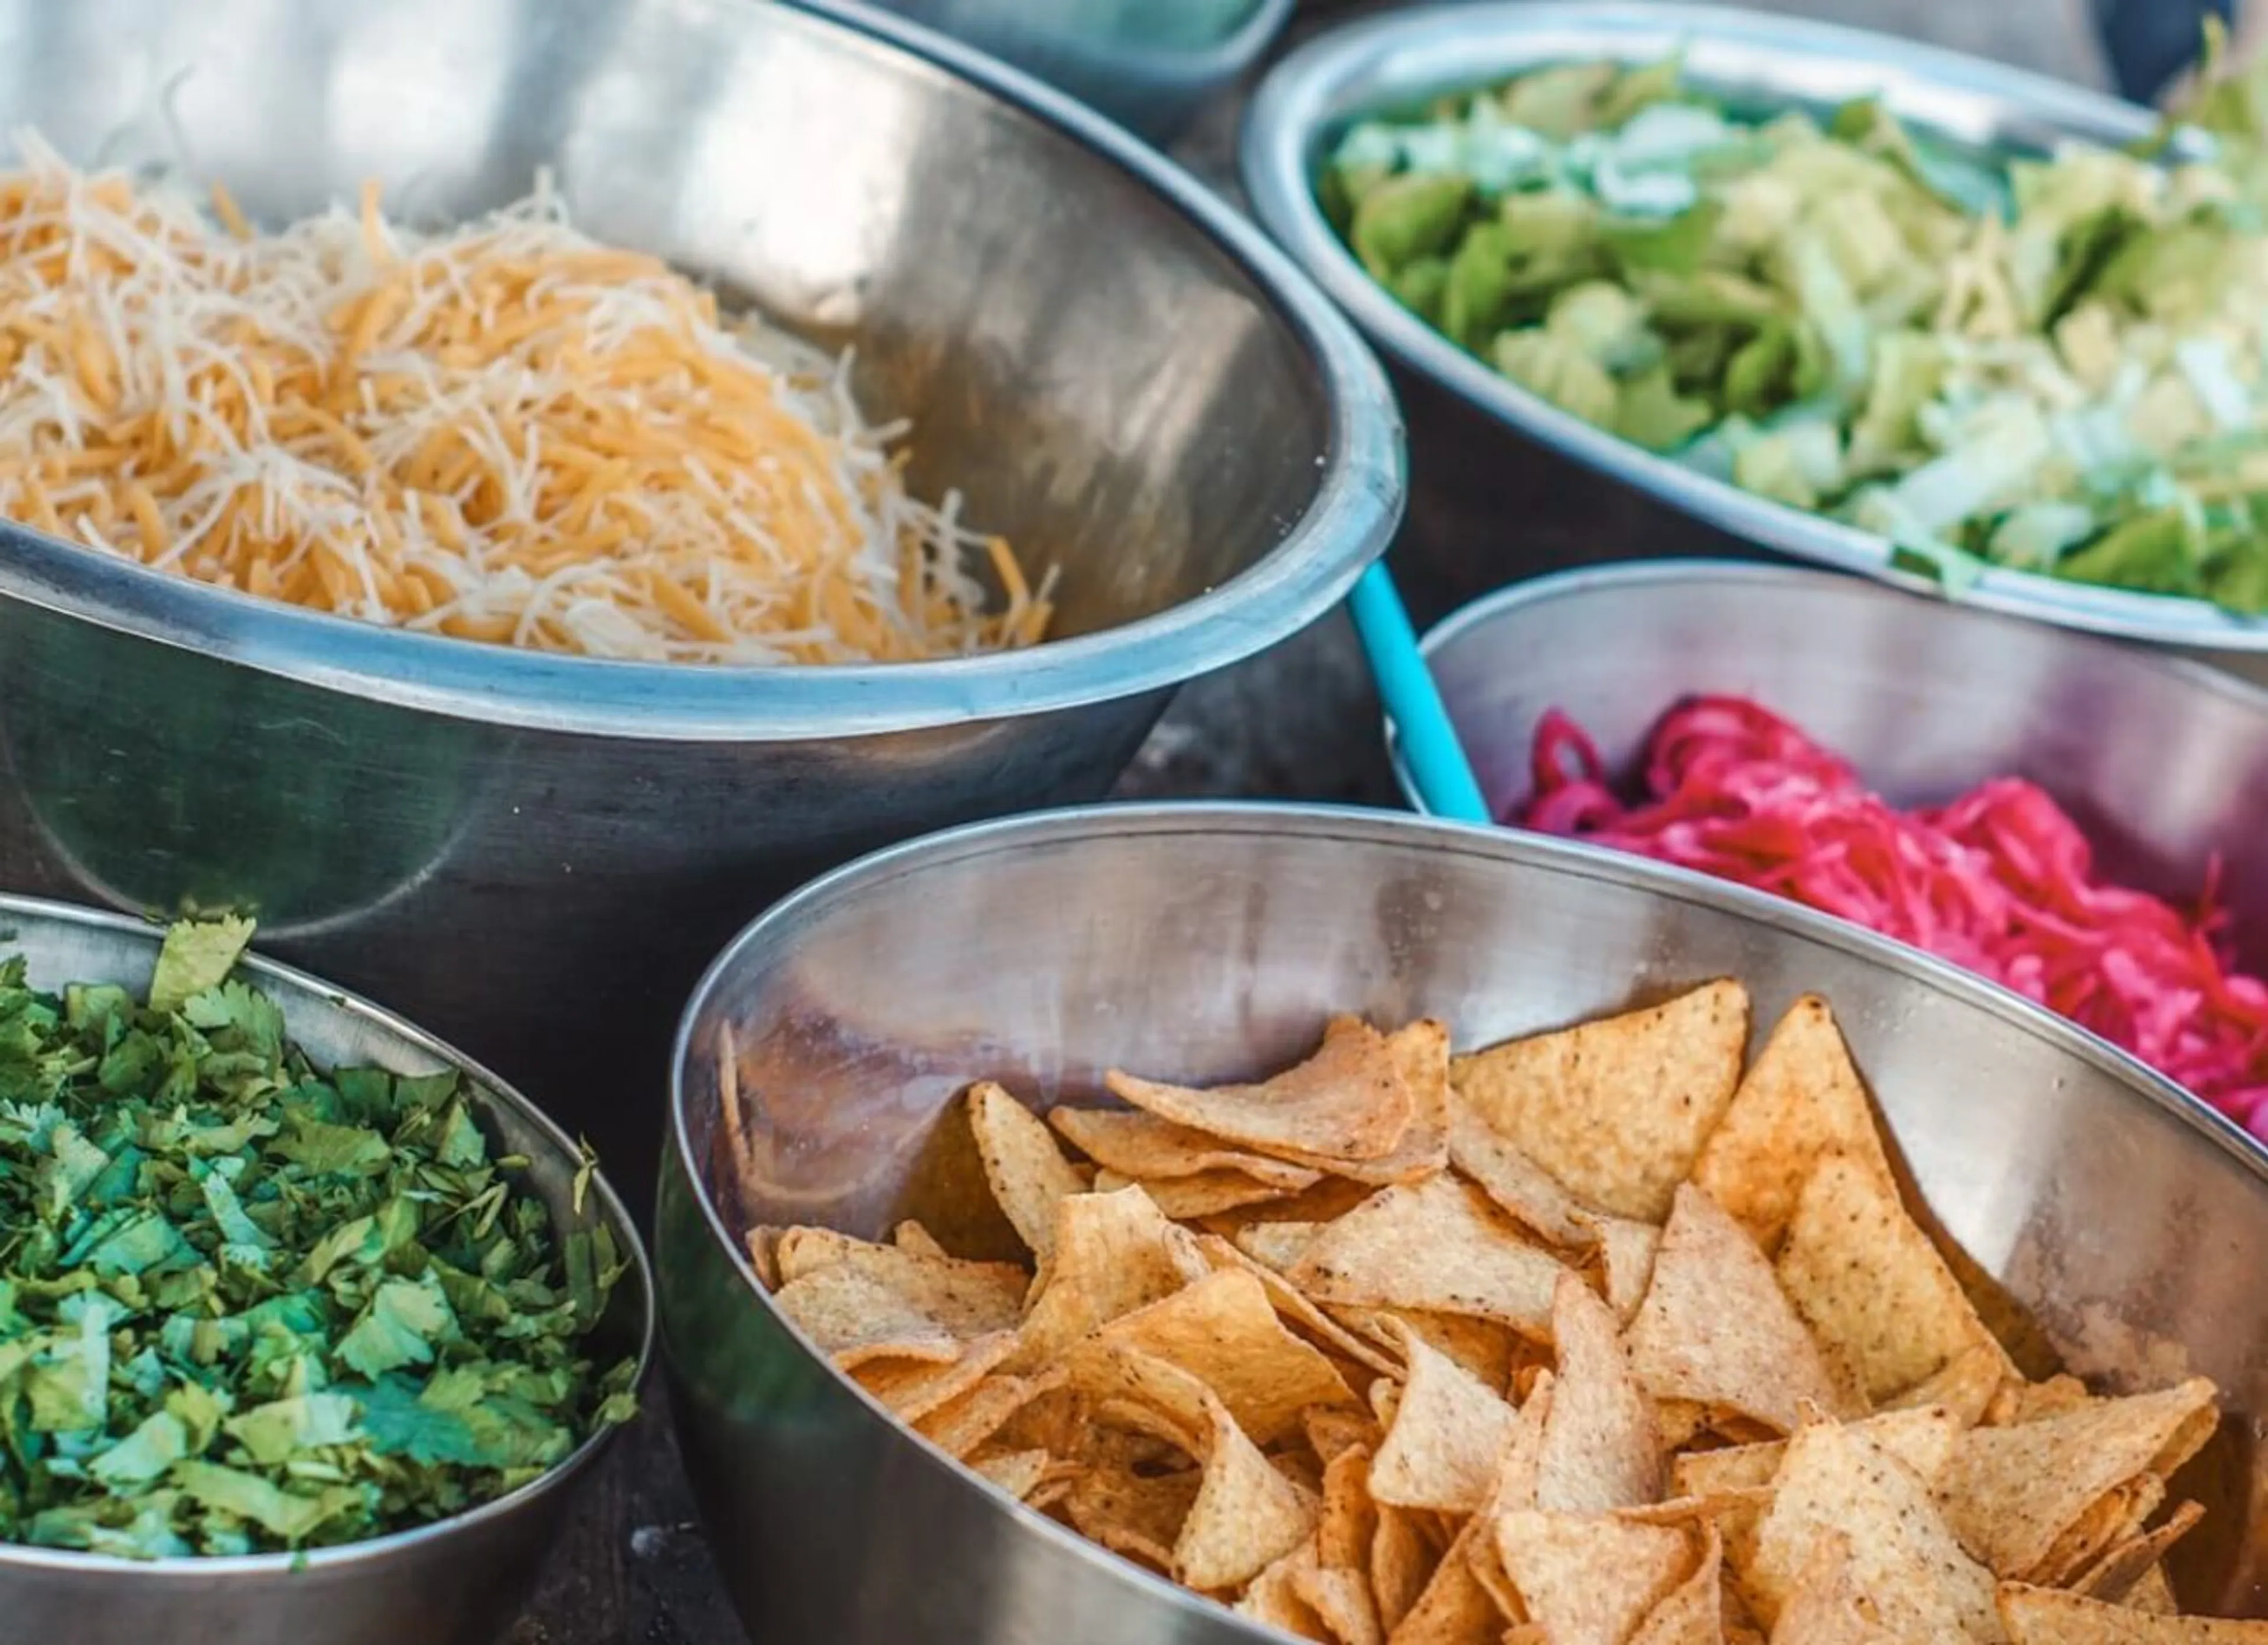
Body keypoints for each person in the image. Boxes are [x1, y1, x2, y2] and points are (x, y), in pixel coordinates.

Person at [2096, 0, 2237, 105]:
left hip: (2182, 97)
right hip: (2109, 81)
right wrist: (2097, 80)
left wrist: (2195, 82)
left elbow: (2244, 42)